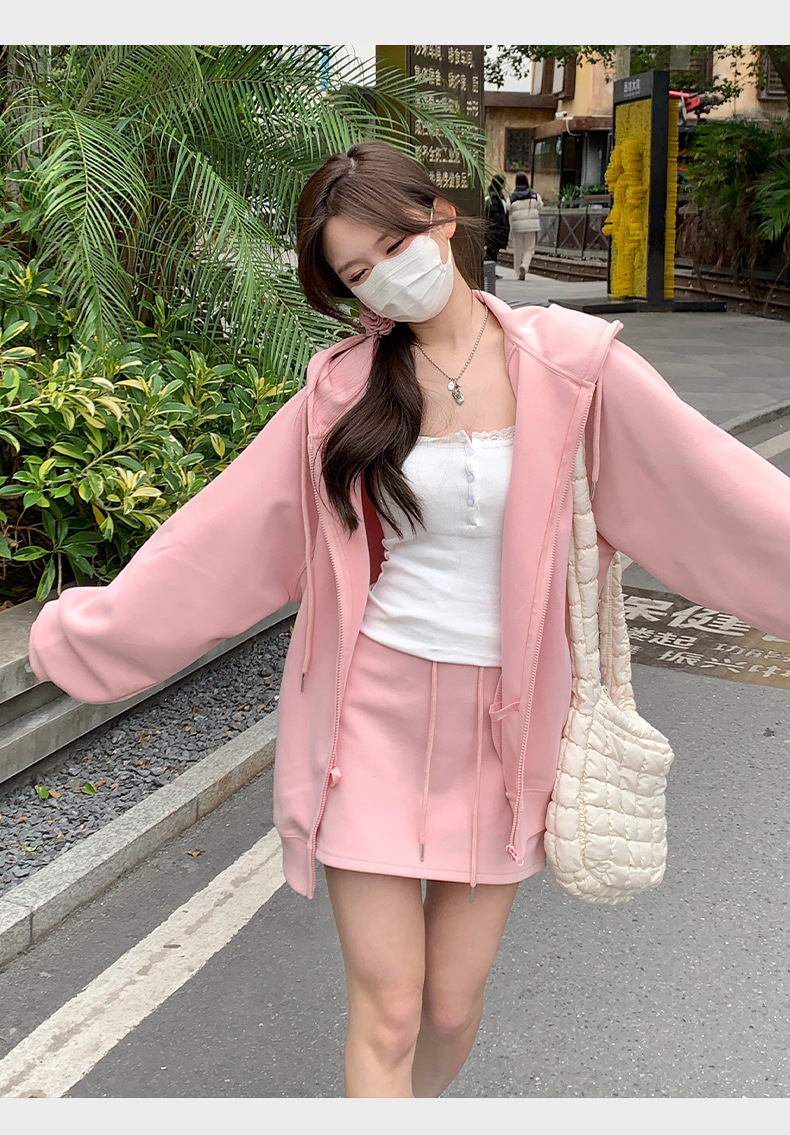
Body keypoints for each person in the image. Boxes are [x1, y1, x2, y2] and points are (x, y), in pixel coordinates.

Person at [26, 141, 790, 1099]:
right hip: (370, 722)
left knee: (450, 1007)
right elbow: (224, 537)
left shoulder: (573, 368)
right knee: (388, 1009)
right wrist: (84, 638)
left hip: (507, 729)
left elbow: (720, 498)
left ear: (441, 217)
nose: (386, 275)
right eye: (357, 273)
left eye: (393, 244)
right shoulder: (344, 392)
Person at [509, 171, 543, 279]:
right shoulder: (534, 195)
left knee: (518, 249)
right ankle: (525, 265)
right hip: (531, 225)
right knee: (529, 248)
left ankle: (518, 272)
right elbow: (540, 206)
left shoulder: (512, 196)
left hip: (517, 226)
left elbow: (508, 209)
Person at [483, 172, 509, 265]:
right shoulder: (494, 198)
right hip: (495, 231)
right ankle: (489, 270)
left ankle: (490, 269)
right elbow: (495, 216)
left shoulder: (497, 197)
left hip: (495, 231)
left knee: (492, 253)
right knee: (491, 254)